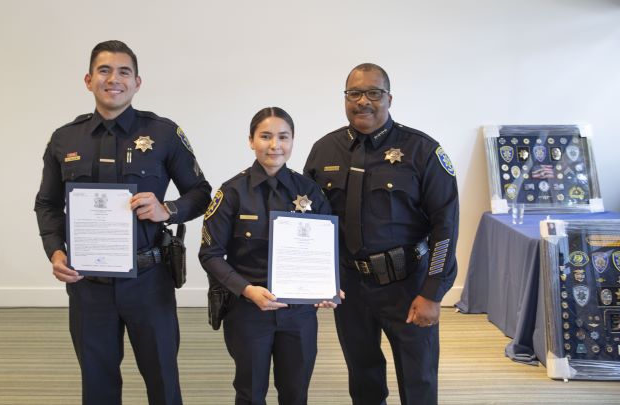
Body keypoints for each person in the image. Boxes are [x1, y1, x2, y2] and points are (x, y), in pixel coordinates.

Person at [34, 40, 211, 405]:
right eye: (104, 70)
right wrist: (54, 251)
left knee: (163, 378)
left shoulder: (163, 133)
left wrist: (168, 210)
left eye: (123, 72)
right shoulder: (64, 138)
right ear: (88, 80)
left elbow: (201, 193)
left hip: (148, 281)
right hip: (88, 285)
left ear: (137, 82)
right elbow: (47, 203)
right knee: (97, 384)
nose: (113, 79)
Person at [304, 63, 459, 405]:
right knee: (363, 376)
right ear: (345, 99)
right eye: (354, 93)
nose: (364, 102)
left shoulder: (422, 150)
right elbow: (311, 224)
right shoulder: (323, 151)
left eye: (374, 93)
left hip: (408, 285)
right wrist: (316, 280)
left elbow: (445, 226)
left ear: (389, 98)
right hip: (351, 287)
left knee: (418, 377)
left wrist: (433, 292)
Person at [199, 107, 340, 405]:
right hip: (249, 310)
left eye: (283, 137)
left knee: (296, 392)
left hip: (299, 313)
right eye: (265, 136)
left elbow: (327, 247)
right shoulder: (232, 193)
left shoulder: (310, 190)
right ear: (251, 140)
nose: (275, 145)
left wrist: (327, 287)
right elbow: (210, 255)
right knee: (250, 393)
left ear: (292, 141)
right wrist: (247, 290)